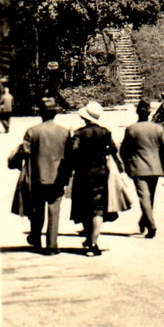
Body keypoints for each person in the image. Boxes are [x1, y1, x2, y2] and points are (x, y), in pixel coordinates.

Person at [66, 101, 122, 256]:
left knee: (84, 207)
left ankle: (89, 238)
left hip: (83, 173)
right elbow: (113, 150)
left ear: (84, 117)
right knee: (98, 209)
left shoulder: (78, 133)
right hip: (100, 173)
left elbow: (72, 152)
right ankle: (93, 242)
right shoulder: (105, 132)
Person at [17, 97, 69, 254]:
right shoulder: (64, 132)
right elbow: (69, 155)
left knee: (37, 211)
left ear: (40, 113)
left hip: (37, 177)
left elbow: (25, 151)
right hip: (57, 178)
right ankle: (52, 245)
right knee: (54, 211)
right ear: (55, 114)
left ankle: (37, 241)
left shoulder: (32, 131)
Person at [120, 99, 164, 238]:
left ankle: (151, 226)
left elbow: (123, 151)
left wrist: (126, 165)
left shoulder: (131, 129)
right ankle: (145, 221)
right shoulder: (158, 129)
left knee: (144, 197)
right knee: (149, 197)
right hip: (155, 168)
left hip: (138, 168)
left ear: (137, 112)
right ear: (149, 113)